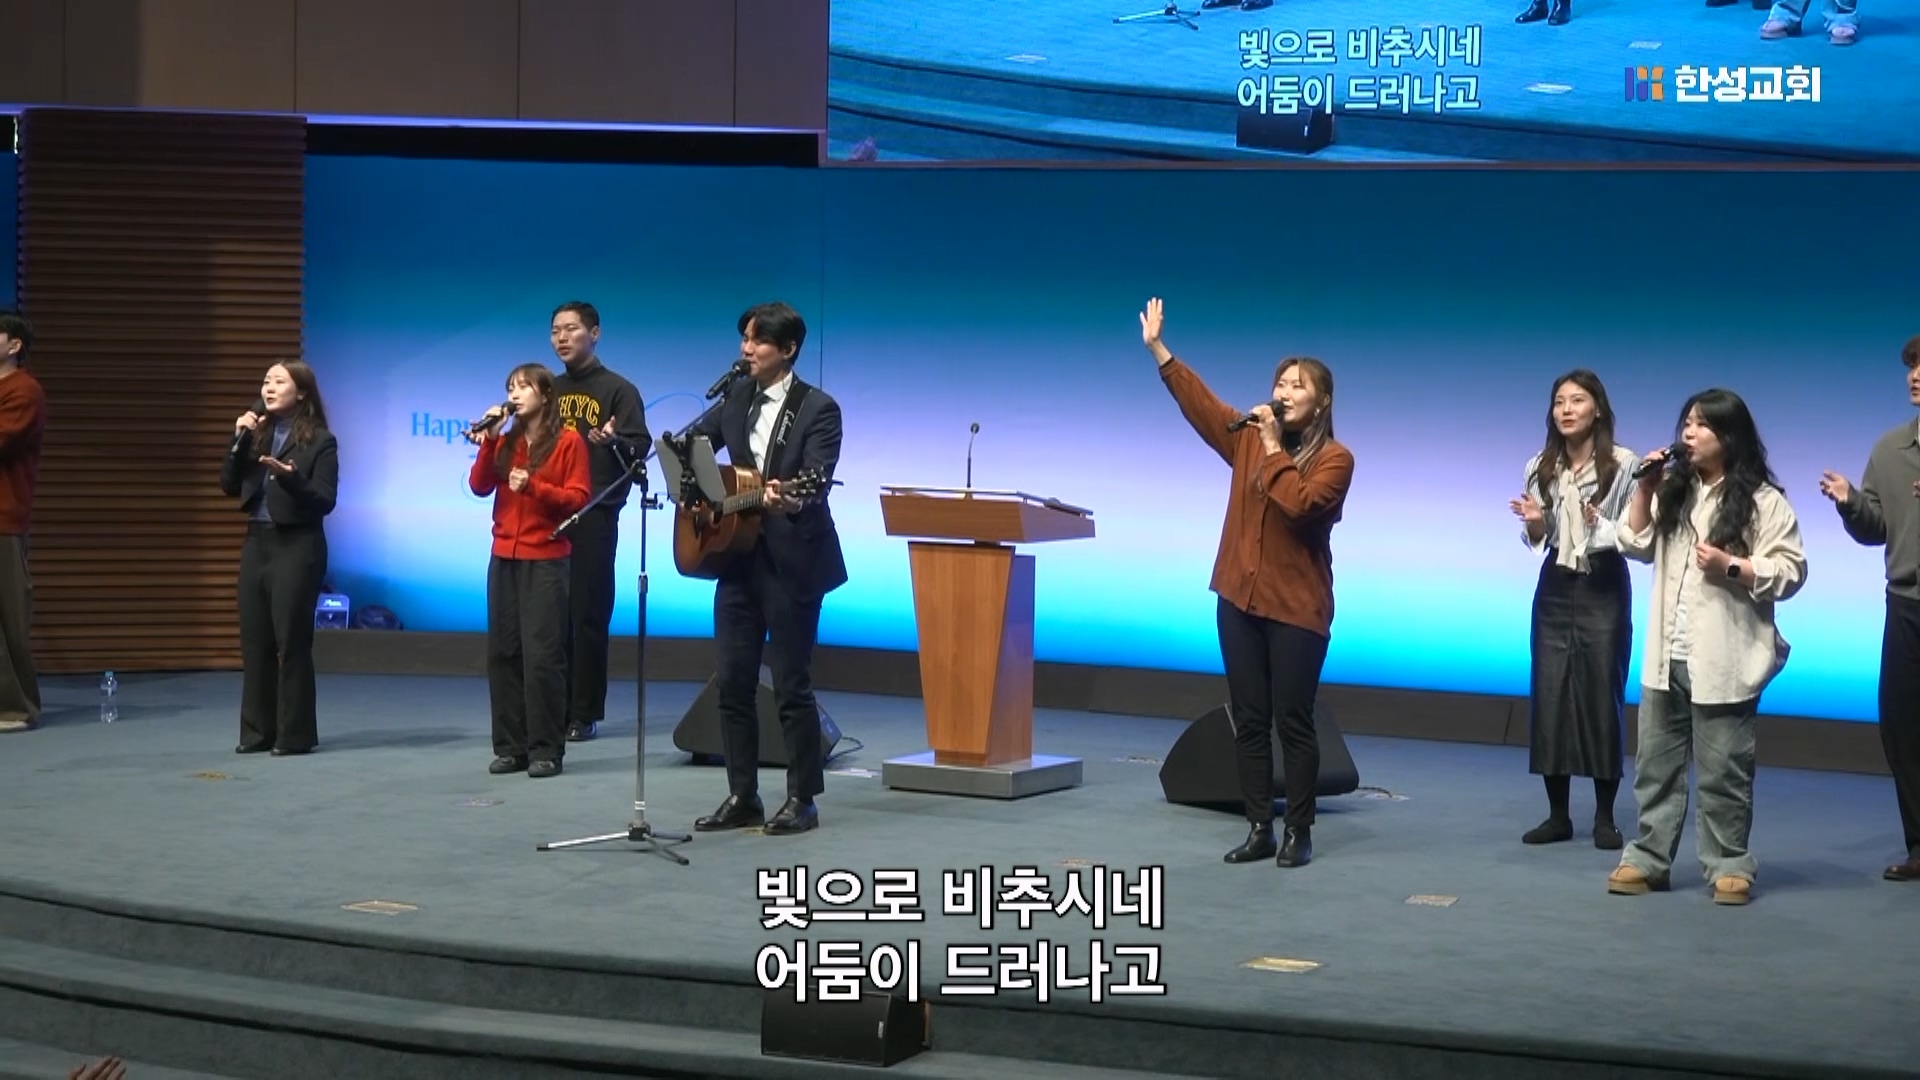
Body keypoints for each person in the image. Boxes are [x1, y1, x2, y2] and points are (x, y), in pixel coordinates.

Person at [1140, 297, 1354, 868]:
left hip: (1297, 609)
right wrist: (1160, 351)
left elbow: (1299, 506)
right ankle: (1260, 826)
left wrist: (1272, 447)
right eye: (1280, 383)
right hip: (1239, 599)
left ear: (1321, 402)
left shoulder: (1335, 460)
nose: (1283, 392)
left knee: (1294, 722)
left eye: (1297, 386)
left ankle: (1298, 830)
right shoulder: (1244, 438)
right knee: (1250, 720)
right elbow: (1202, 406)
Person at [1608, 389, 1806, 906]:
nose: (1689, 434)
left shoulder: (1762, 501)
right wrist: (1645, 489)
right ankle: (1647, 858)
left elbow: (1791, 570)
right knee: (1655, 767)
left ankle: (1728, 863)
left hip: (1723, 657)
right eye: (1687, 424)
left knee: (1724, 769)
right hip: (1665, 655)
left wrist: (1731, 566)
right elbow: (1634, 543)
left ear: (1730, 436)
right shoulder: (1674, 491)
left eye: (1702, 425)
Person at [690, 302, 846, 836]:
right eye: (744, 340)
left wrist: (790, 497)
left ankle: (802, 798)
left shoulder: (818, 408)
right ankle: (743, 795)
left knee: (790, 684)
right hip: (737, 556)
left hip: (793, 559)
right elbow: (695, 447)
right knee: (732, 683)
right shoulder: (736, 396)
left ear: (788, 349)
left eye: (757, 341)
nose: (746, 350)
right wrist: (699, 495)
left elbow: (816, 480)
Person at [1508, 371, 1639, 849]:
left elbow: (1635, 531)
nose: (1566, 409)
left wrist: (1599, 522)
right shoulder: (1539, 466)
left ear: (1597, 409)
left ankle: (1605, 817)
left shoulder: (1624, 464)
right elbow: (1538, 538)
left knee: (1601, 693)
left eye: (1577, 400)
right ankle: (1558, 815)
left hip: (1603, 581)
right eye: (1559, 401)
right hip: (1556, 584)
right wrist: (1535, 522)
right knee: (1550, 692)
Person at [1820, 334, 1920, 882]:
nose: (1915, 375)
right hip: (1906, 604)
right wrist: (1851, 504)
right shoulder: (1889, 450)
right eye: (1912, 366)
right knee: (1902, 727)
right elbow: (1877, 528)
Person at [466, 363, 591, 778]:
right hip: (504, 555)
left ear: (545, 394)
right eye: (510, 388)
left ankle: (545, 749)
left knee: (543, 657)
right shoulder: (507, 440)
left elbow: (579, 499)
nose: (514, 395)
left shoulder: (569, 441)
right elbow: (479, 486)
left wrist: (534, 486)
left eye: (523, 387)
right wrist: (489, 441)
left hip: (547, 558)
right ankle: (511, 747)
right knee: (503, 654)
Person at [220, 360, 338, 755]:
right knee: (255, 642)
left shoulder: (321, 441)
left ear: (301, 392)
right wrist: (238, 439)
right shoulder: (256, 434)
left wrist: (291, 478)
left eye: (279, 382)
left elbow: (325, 500)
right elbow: (228, 485)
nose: (268, 388)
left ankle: (294, 734)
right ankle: (257, 732)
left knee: (291, 642)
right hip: (257, 544)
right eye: (266, 381)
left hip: (297, 546)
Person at [548, 301, 650, 744]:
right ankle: (552, 705)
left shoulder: (618, 390)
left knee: (588, 615)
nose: (562, 337)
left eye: (571, 329)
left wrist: (614, 442)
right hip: (550, 512)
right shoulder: (548, 389)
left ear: (595, 333)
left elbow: (640, 447)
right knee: (551, 617)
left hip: (594, 513)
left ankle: (583, 711)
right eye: (555, 330)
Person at [0, 311, 46, 735]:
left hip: (4, 517)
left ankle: (18, 707)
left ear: (14, 345)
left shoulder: (23, 390)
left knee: (8, 615)